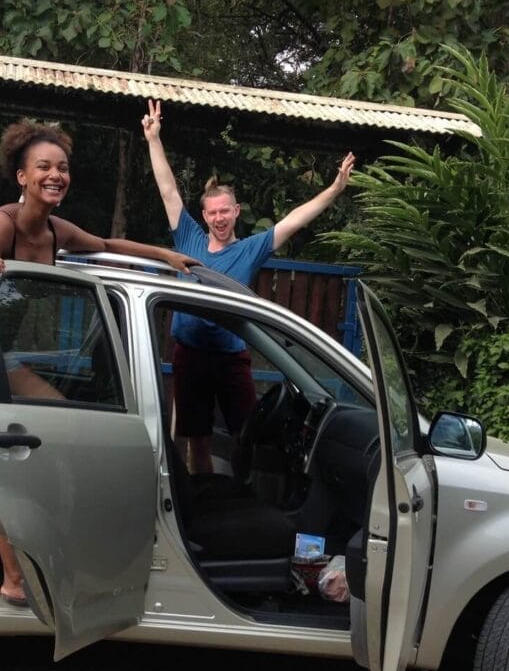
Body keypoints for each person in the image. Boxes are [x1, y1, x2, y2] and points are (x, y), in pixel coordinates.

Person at [0, 119, 200, 606]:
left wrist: (166, 254)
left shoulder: (55, 230)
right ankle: (11, 578)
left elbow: (108, 245)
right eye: (44, 167)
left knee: (52, 425)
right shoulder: (0, 224)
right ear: (22, 177)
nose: (56, 175)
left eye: (62, 168)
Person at [141, 99, 356, 475]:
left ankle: (240, 496)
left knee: (245, 435)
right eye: (213, 212)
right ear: (204, 215)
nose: (219, 217)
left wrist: (335, 189)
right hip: (189, 355)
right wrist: (154, 139)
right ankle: (204, 498)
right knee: (196, 439)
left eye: (226, 210)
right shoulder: (188, 238)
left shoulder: (250, 249)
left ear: (236, 211)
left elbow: (293, 220)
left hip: (230, 357)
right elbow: (167, 191)